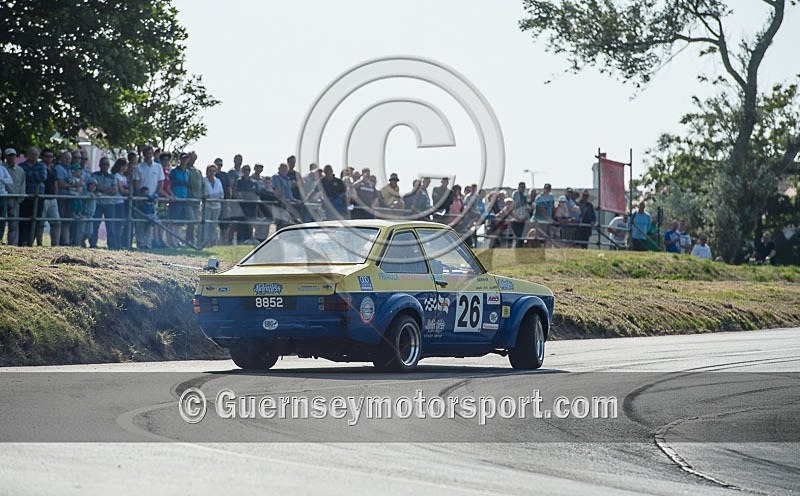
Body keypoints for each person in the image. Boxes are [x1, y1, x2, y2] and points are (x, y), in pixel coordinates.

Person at [18, 146, 47, 246]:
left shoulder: (42, 166)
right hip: (25, 196)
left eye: (36, 154)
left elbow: (42, 177)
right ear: (27, 155)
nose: (34, 156)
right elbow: (21, 177)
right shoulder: (22, 166)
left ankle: (30, 241)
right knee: (23, 220)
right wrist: (33, 175)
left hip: (38, 197)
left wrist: (29, 175)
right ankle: (22, 241)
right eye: (32, 154)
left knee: (36, 221)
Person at [202, 164, 224, 247]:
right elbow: (204, 193)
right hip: (207, 206)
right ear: (207, 171)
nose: (212, 173)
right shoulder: (204, 181)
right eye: (210, 171)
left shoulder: (218, 181)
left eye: (214, 171)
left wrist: (214, 197)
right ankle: (205, 243)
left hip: (217, 206)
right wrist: (210, 197)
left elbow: (221, 194)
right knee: (206, 225)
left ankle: (213, 243)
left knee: (214, 225)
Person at [510, 182, 530, 248]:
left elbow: (526, 209)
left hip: (523, 220)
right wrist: (518, 218)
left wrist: (525, 218)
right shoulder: (515, 194)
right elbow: (513, 207)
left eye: (524, 187)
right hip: (516, 220)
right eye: (521, 187)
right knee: (518, 237)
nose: (523, 189)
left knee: (522, 237)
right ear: (518, 187)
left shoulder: (524, 197)